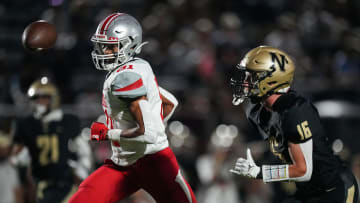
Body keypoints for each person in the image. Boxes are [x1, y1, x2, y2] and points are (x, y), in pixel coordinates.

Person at [69, 13, 197, 203]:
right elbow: (170, 102)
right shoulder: (138, 66)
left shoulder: (125, 78)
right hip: (124, 163)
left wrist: (108, 134)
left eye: (110, 46)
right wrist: (153, 122)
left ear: (130, 44)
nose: (104, 51)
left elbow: (148, 134)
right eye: (102, 45)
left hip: (153, 163)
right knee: (84, 197)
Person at [229, 45, 359, 203]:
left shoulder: (294, 111)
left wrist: (259, 171)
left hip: (332, 191)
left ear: (271, 80)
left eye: (252, 77)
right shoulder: (267, 112)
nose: (246, 82)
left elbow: (303, 170)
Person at [11, 77, 91, 203]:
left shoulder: (68, 121)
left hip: (66, 182)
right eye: (36, 98)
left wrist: (81, 173)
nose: (40, 102)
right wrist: (22, 159)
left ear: (53, 99)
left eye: (44, 97)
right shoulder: (26, 124)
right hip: (39, 184)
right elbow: (17, 158)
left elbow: (84, 151)